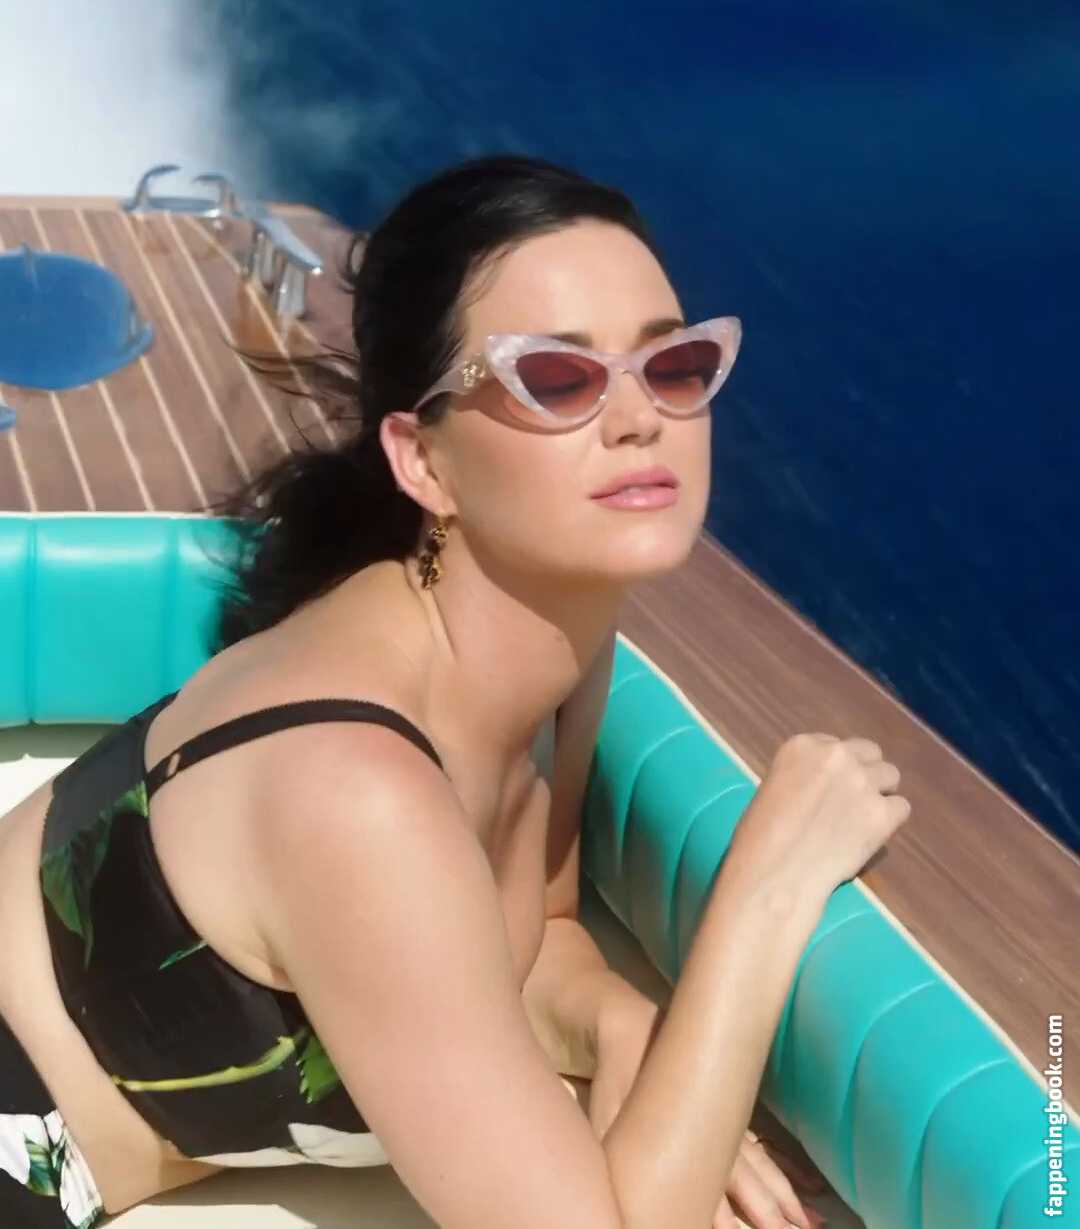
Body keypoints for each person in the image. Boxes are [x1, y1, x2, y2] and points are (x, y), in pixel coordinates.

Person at [0, 155, 909, 1229]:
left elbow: (533, 933)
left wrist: (623, 1027)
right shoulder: (360, 790)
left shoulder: (553, 657)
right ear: (423, 460)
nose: (639, 418)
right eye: (558, 379)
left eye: (673, 364)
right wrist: (764, 890)